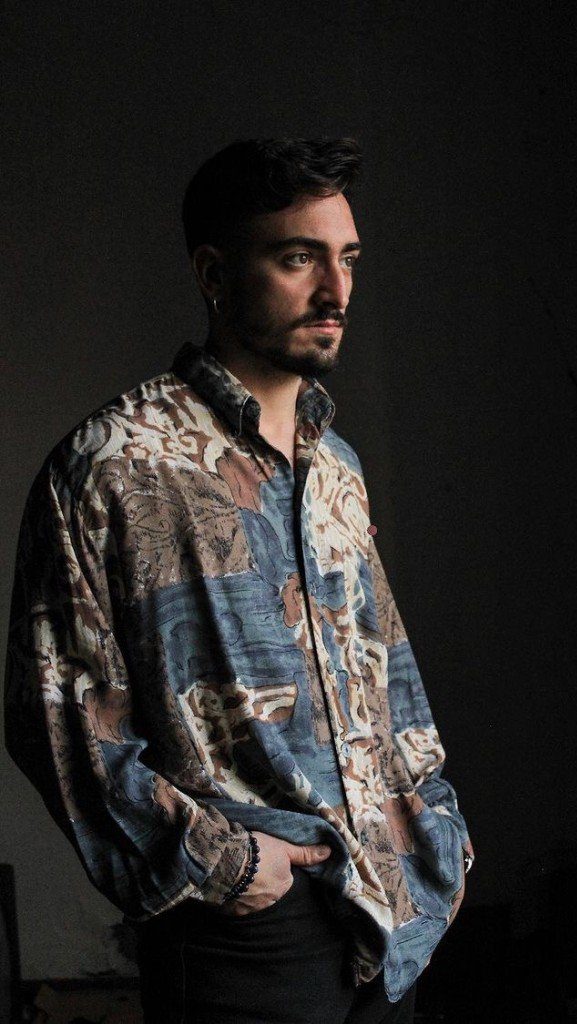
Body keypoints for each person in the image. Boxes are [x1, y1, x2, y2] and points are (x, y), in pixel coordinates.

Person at [4, 138, 475, 1023]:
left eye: (347, 259)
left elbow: (386, 671)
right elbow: (57, 717)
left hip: (389, 912)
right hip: (247, 929)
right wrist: (222, 863)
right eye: (298, 259)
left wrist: (433, 830)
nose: (335, 292)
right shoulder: (113, 465)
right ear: (214, 274)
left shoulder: (335, 465)